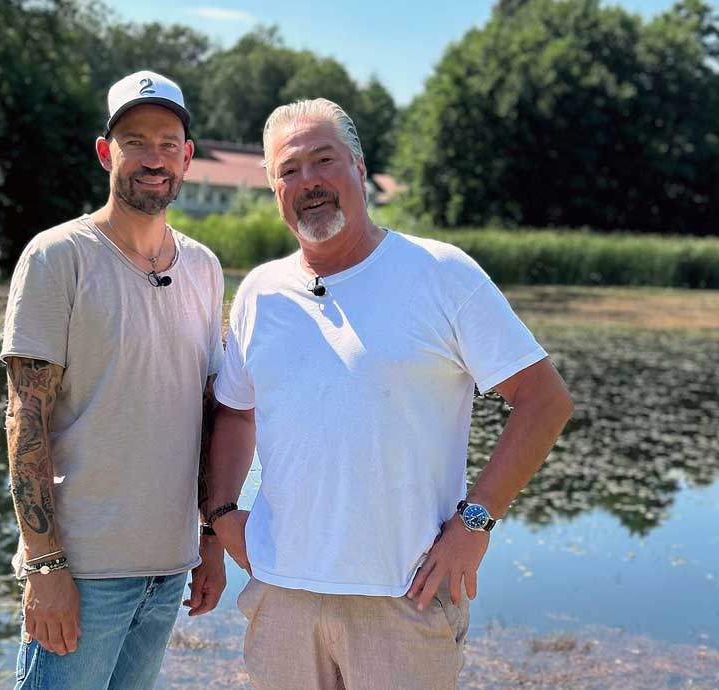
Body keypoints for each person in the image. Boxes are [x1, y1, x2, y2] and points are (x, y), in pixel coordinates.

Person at [203, 98, 574, 690]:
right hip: (282, 596)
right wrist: (222, 513)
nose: (309, 182)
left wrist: (474, 522)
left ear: (359, 167)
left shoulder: (441, 273)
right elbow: (233, 411)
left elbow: (545, 402)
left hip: (404, 596)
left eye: (324, 160)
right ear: (274, 187)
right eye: (289, 170)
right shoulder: (260, 293)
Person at [0, 70, 226, 690]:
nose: (153, 158)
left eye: (167, 142)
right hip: (83, 570)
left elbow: (209, 416)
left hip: (169, 567)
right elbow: (26, 418)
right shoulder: (58, 257)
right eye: (135, 141)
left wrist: (211, 538)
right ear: (107, 152)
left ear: (186, 156)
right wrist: (44, 566)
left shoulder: (205, 269)